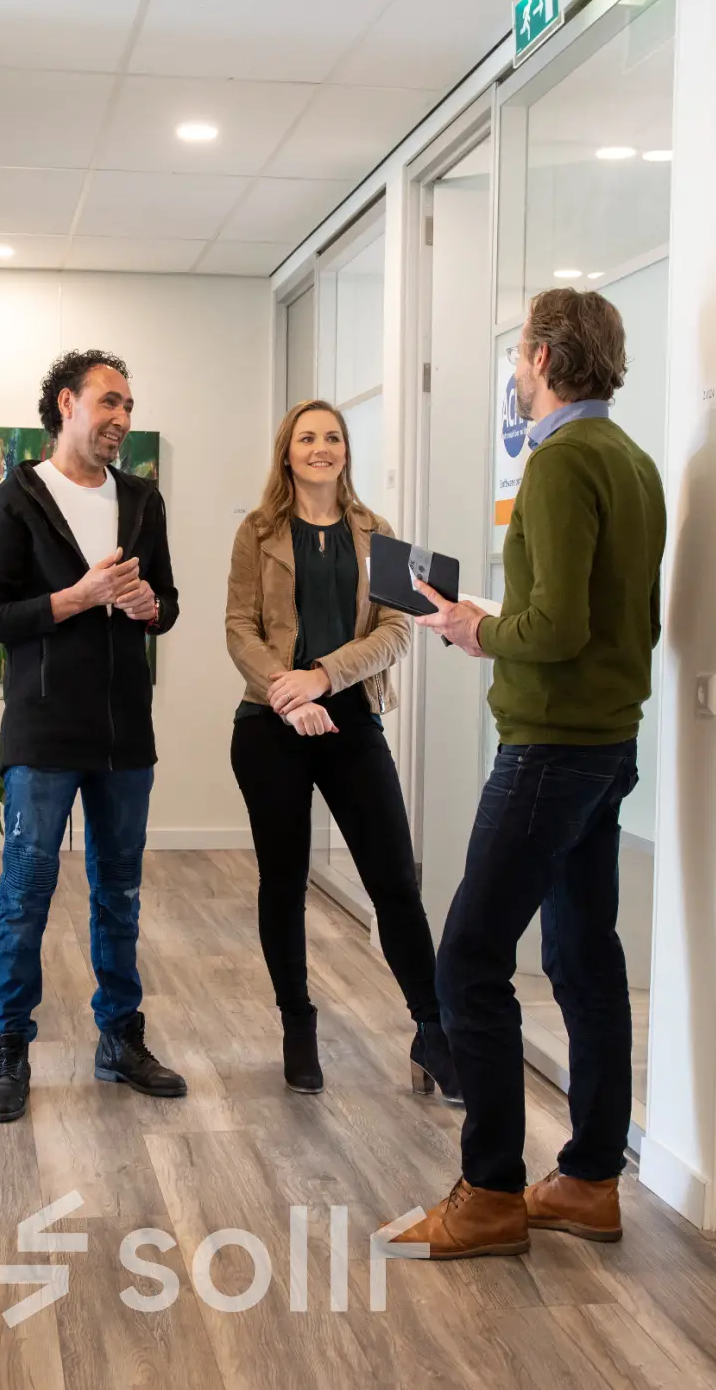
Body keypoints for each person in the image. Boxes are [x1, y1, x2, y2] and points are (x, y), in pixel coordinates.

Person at [389, 288, 666, 1258]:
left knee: (467, 959)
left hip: (548, 748)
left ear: (545, 357)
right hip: (609, 742)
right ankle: (590, 1180)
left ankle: (492, 1192)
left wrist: (474, 628)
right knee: (584, 958)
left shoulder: (559, 463)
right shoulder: (633, 462)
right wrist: (500, 625)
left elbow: (553, 630)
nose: (513, 374)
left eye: (517, 356)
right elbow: (625, 621)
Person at [0, 349, 186, 1124]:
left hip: (127, 736)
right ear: (67, 404)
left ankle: (120, 1039)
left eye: (129, 404)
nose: (122, 417)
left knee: (118, 895)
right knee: (25, 896)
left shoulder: (145, 501)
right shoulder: (12, 502)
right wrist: (77, 598)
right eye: (109, 401)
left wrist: (152, 607)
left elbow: (171, 601)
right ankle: (8, 1048)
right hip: (44, 734)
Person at [224, 400, 461, 1101]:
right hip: (269, 727)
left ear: (346, 452)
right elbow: (239, 626)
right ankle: (298, 1025)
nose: (321, 447)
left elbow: (396, 629)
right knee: (284, 880)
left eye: (332, 437)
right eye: (307, 437)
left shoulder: (376, 534)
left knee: (393, 881)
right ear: (287, 453)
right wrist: (286, 693)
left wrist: (322, 678)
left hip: (351, 719)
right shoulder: (258, 530)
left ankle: (433, 1029)